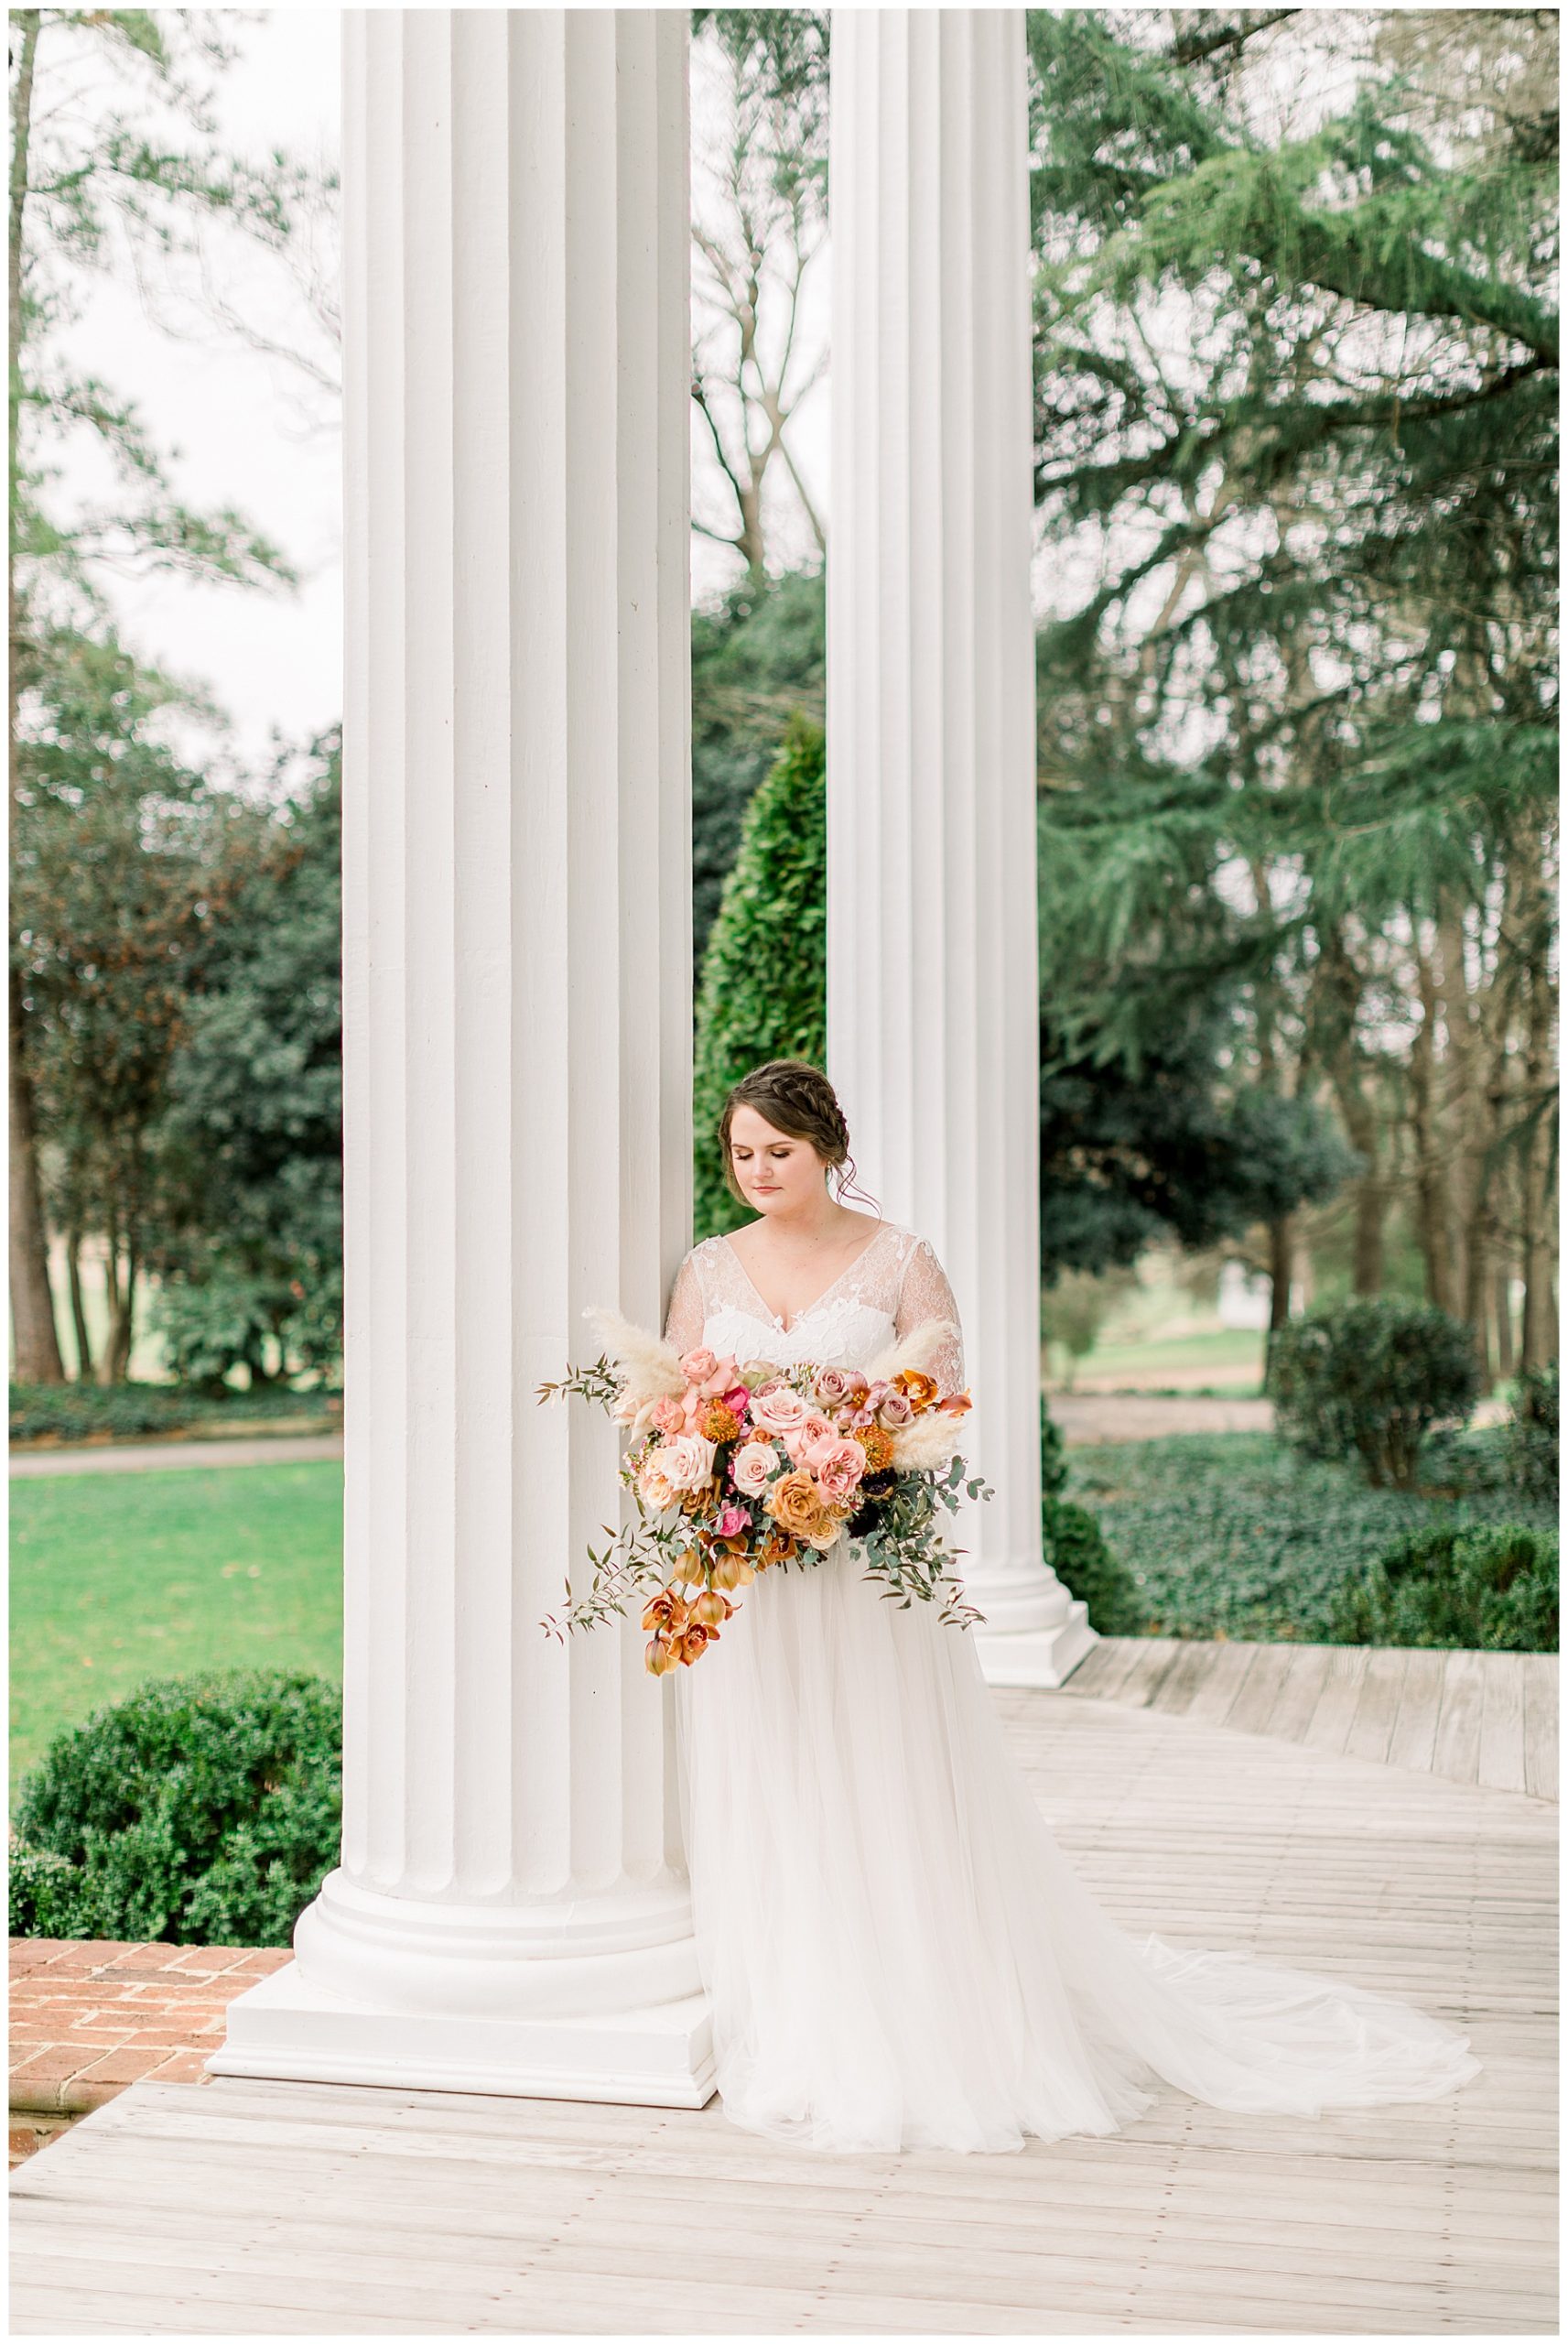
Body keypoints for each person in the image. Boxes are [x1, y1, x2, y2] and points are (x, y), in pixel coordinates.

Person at [661, 1057, 1483, 2156]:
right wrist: (729, 1466)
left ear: (828, 1150)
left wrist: (860, 1459)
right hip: (761, 1574)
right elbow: (677, 1403)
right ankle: (797, 2006)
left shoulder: (899, 1258)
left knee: (885, 1772)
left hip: (867, 1568)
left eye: (781, 1150)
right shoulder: (711, 1267)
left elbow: (941, 1396)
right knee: (782, 1772)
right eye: (742, 1152)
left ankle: (917, 2009)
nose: (758, 1170)